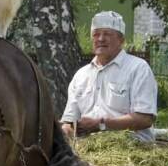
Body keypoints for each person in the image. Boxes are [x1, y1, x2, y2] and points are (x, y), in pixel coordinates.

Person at [61, 11, 158, 141]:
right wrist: (65, 129)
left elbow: (145, 119)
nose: (100, 39)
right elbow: (69, 121)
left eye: (107, 34)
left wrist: (101, 124)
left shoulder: (138, 68)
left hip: (131, 149)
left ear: (121, 40)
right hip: (85, 148)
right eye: (96, 34)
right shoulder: (81, 75)